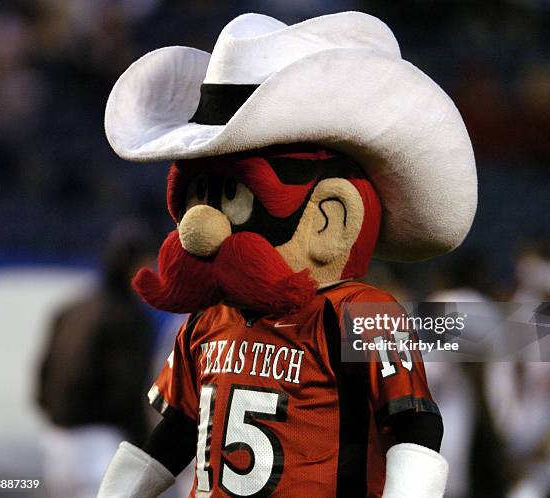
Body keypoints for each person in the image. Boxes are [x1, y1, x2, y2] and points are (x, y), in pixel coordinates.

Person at [97, 12, 477, 498]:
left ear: (329, 217)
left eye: (234, 198)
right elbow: (176, 433)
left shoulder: (357, 313)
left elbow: (415, 427)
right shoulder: (206, 320)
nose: (197, 229)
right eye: (199, 197)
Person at [37, 221, 157, 498]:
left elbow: (42, 378)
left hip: (55, 445)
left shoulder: (71, 309)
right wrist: (144, 447)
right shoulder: (130, 318)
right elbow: (128, 391)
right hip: (101, 447)